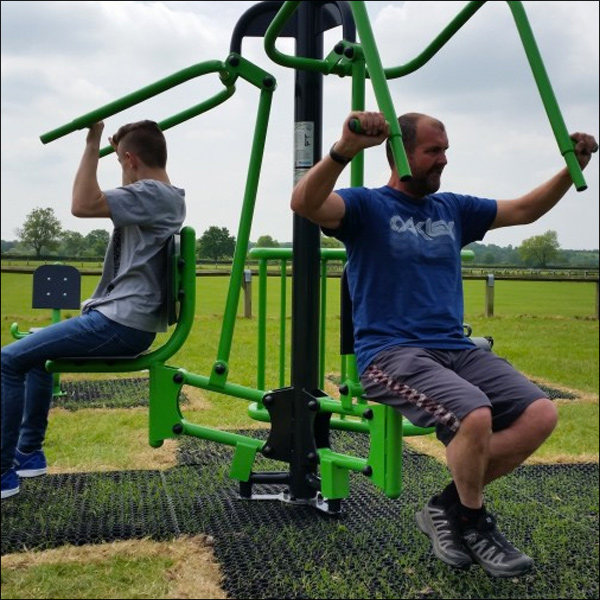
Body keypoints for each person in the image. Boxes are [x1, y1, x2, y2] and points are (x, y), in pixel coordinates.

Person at [290, 111, 597, 578]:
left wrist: (570, 166)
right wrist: (344, 150)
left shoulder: (453, 208)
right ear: (401, 154)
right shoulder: (367, 207)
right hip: (391, 354)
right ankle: (474, 523)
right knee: (474, 413)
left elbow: (524, 210)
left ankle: (447, 509)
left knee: (541, 413)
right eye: (434, 151)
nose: (444, 160)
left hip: (455, 346)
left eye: (446, 150)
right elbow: (305, 203)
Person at [1, 120, 186, 500]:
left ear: (131, 160)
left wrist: (92, 142)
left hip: (120, 323)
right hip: (117, 318)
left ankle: (4, 473)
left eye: (120, 163)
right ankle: (28, 453)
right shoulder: (158, 196)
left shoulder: (153, 194)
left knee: (7, 361)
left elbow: (82, 204)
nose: (120, 172)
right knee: (34, 354)